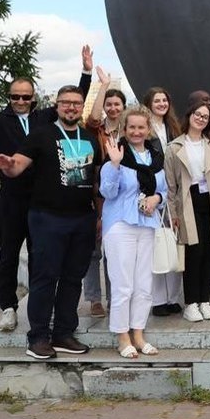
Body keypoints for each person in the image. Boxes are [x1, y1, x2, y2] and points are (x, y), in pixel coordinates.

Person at [0, 46, 92, 332]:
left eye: (25, 96)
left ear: (33, 98)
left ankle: (38, 306)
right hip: (11, 199)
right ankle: (8, 307)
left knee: (39, 255)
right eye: (15, 96)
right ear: (9, 98)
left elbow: (73, 101)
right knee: (9, 253)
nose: (20, 101)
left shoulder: (43, 119)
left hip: (39, 200)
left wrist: (86, 72)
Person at [0, 85, 102, 360]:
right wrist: (8, 165)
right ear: (57, 105)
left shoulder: (89, 138)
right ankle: (38, 337)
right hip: (47, 218)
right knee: (44, 277)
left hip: (81, 219)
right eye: (66, 103)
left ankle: (64, 333)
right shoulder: (42, 134)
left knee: (72, 278)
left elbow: (96, 181)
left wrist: (98, 216)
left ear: (81, 107)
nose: (71, 107)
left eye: (77, 103)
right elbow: (18, 164)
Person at [99, 107, 167, 358]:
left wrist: (156, 198)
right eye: (132, 128)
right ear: (124, 130)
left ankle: (138, 333)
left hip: (147, 225)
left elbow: (166, 190)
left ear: (148, 130)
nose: (136, 132)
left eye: (141, 127)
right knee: (123, 284)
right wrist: (115, 165)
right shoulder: (117, 155)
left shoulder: (156, 158)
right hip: (120, 226)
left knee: (144, 284)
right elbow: (107, 192)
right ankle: (122, 336)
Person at [164, 99, 210, 322]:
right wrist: (174, 215)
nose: (200, 119)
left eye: (205, 117)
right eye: (197, 114)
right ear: (189, 116)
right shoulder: (175, 147)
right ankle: (191, 303)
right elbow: (170, 186)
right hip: (189, 202)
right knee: (193, 255)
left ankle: (204, 301)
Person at [83, 70, 128, 318]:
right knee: (93, 249)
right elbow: (91, 116)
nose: (112, 108)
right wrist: (103, 86)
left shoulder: (129, 131)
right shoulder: (96, 130)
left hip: (121, 194)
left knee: (115, 250)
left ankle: (114, 298)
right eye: (108, 104)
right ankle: (93, 299)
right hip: (96, 191)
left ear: (123, 107)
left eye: (116, 104)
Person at [142, 86, 183, 316]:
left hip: (174, 192)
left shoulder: (174, 128)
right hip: (155, 192)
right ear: (149, 103)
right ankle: (158, 300)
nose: (161, 104)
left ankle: (173, 297)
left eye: (164, 100)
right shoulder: (144, 130)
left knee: (175, 244)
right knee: (158, 245)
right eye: (157, 100)